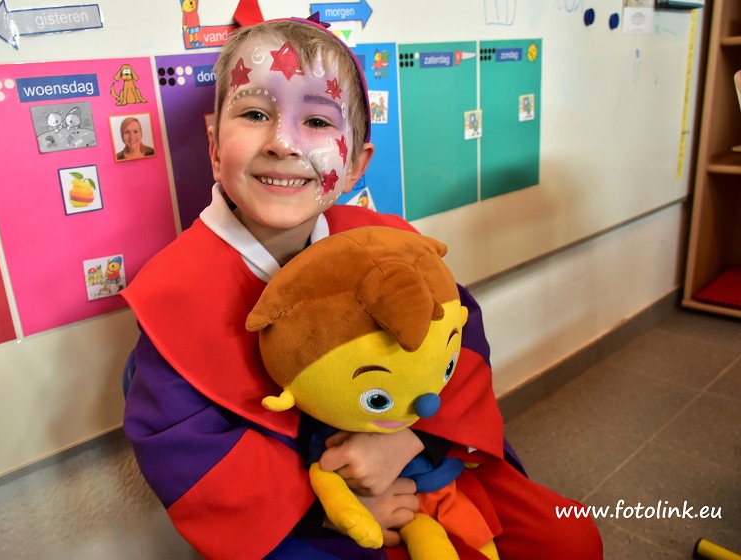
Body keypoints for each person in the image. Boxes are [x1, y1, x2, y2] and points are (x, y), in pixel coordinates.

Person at [121, 15, 603, 560]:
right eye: (255, 114)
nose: (282, 142)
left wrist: (411, 440)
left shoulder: (385, 242)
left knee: (568, 540)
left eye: (317, 120)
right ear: (214, 147)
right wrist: (327, 504)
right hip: (296, 514)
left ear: (354, 165)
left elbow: (458, 344)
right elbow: (184, 450)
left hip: (420, 455)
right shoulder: (177, 293)